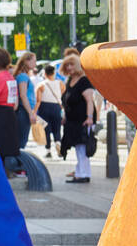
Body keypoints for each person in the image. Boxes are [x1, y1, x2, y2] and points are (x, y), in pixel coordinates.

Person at [60, 54, 96, 184]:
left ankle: (83, 174)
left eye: (71, 65)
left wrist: (89, 118)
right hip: (73, 120)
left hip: (83, 119)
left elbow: (89, 101)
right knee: (78, 147)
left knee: (82, 148)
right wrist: (65, 116)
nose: (69, 68)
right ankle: (80, 172)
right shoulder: (70, 80)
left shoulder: (84, 80)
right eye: (67, 65)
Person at [12, 51, 38, 155]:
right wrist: (30, 113)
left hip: (24, 111)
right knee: (21, 142)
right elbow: (23, 95)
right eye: (34, 61)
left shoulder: (22, 75)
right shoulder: (23, 76)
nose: (35, 64)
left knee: (21, 140)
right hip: (23, 112)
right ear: (26, 61)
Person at [35, 63, 64, 158]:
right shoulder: (60, 83)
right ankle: (58, 143)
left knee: (46, 130)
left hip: (44, 107)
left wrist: (34, 112)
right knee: (57, 128)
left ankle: (48, 150)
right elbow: (63, 94)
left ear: (45, 73)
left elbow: (38, 100)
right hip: (56, 107)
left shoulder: (41, 85)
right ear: (54, 73)